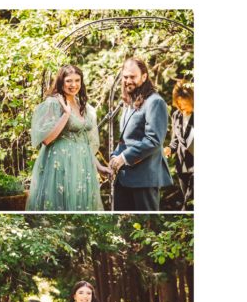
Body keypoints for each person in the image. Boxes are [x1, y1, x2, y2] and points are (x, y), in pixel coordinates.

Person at [27, 64, 110, 211]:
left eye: (77, 80)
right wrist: (66, 114)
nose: (74, 85)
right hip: (61, 163)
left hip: (83, 165)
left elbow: (85, 142)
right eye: (69, 81)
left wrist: (99, 167)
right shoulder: (54, 103)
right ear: (61, 82)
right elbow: (46, 140)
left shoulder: (83, 106)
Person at [108, 57, 173, 211]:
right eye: (125, 77)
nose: (128, 80)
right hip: (123, 179)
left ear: (144, 77)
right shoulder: (130, 102)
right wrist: (114, 157)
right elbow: (124, 140)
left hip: (144, 179)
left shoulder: (155, 102)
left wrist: (123, 158)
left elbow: (154, 140)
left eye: (132, 77)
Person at [165, 79, 194, 210]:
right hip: (182, 167)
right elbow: (175, 140)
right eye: (179, 103)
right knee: (188, 203)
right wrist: (169, 149)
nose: (182, 107)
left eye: (185, 103)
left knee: (188, 203)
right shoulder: (176, 115)